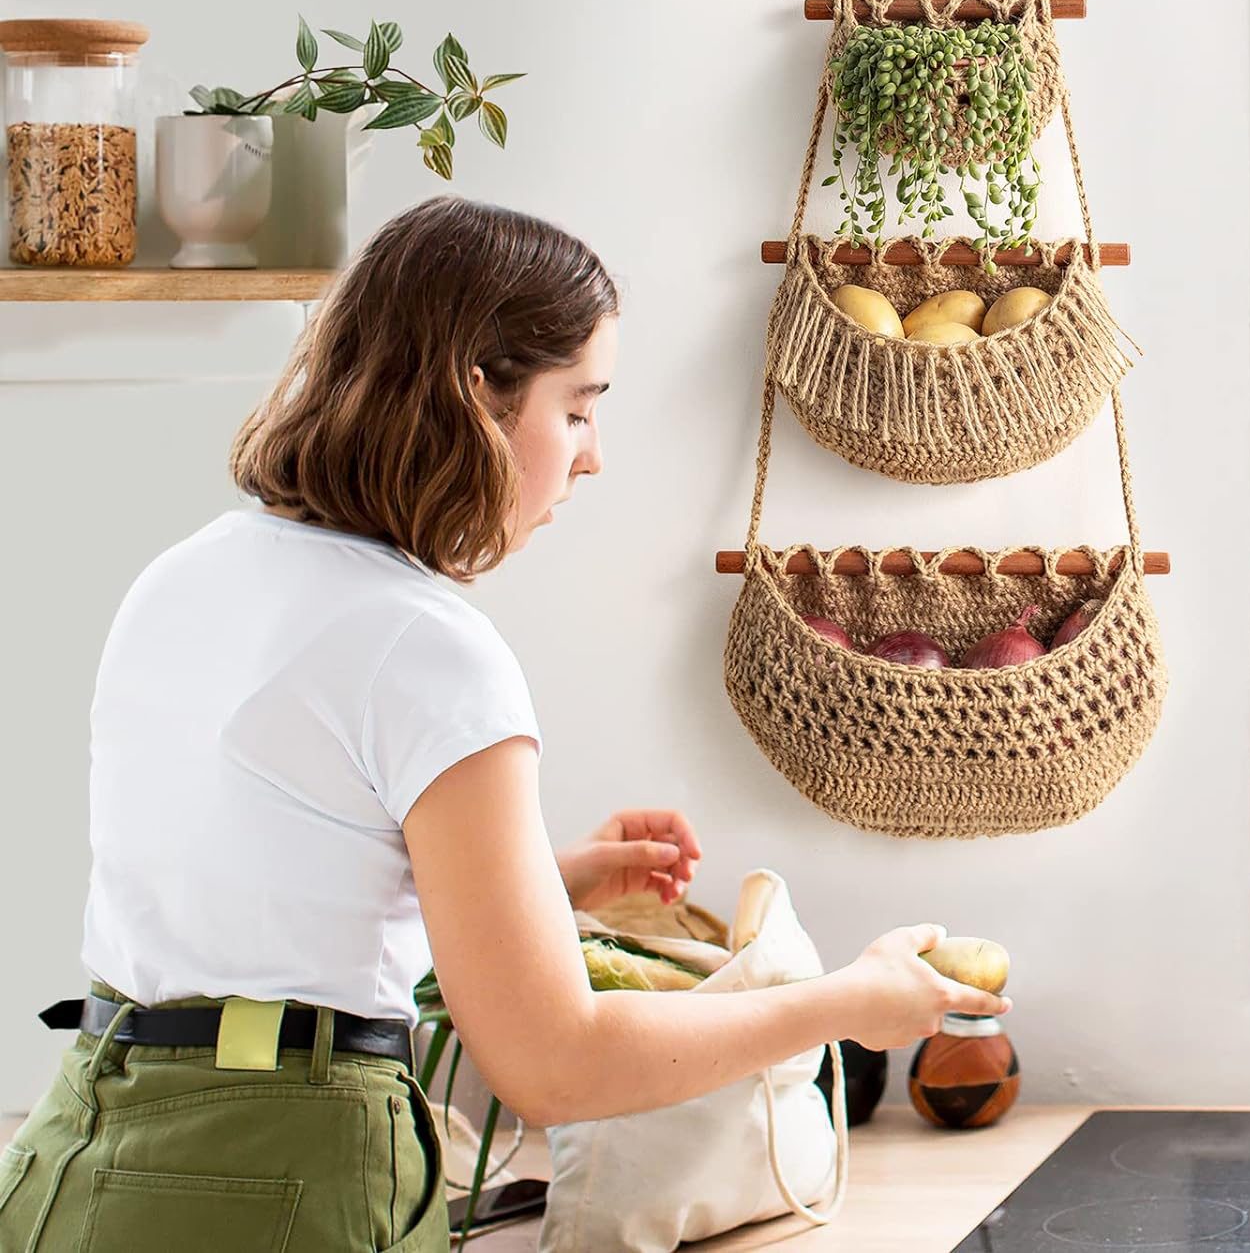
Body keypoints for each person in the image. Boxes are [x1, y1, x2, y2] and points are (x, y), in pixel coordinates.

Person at [0, 196, 1010, 1252]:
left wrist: (541, 884)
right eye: (577, 407)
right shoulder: (428, 645)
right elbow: (556, 1065)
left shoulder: (187, 574)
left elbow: (258, 907)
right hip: (280, 1174)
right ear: (477, 394)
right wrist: (846, 1004)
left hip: (76, 1154)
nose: (592, 455)